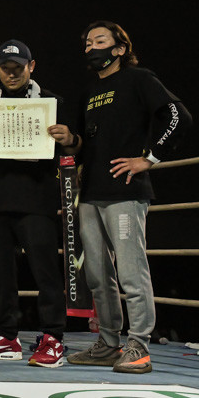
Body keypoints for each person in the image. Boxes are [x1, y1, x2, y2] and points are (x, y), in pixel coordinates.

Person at [59, 21, 191, 374]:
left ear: (120, 48)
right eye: (88, 42)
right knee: (97, 276)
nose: (91, 47)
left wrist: (149, 158)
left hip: (125, 191)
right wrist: (69, 141)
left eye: (100, 41)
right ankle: (108, 343)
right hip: (90, 194)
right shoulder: (90, 91)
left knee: (132, 274)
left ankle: (140, 346)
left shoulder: (139, 79)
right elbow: (83, 145)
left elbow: (178, 117)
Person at [0, 40, 68, 368]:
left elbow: (73, 148)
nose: (11, 74)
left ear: (31, 67)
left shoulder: (53, 103)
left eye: (18, 68)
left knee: (45, 272)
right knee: (0, 274)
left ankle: (53, 337)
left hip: (37, 202)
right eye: (5, 68)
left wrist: (68, 139)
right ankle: (6, 336)